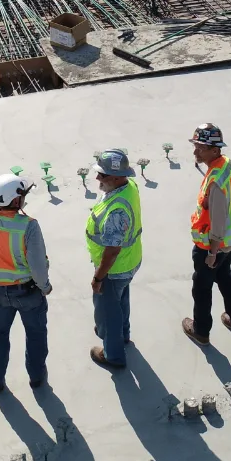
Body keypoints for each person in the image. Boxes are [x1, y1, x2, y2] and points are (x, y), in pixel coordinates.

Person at [0, 173, 53, 392]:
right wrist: (45, 287)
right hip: (28, 292)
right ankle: (36, 377)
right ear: (15, 201)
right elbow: (37, 265)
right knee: (35, 334)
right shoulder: (29, 226)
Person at [184, 124, 231, 345]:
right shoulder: (226, 165)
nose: (195, 152)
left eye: (200, 148)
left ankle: (201, 330)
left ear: (214, 150)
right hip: (230, 242)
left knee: (201, 287)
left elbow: (218, 221)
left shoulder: (216, 181)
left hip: (212, 247)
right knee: (225, 277)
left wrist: (212, 252)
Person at [86, 149, 143, 370]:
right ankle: (123, 334)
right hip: (129, 262)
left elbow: (111, 250)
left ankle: (113, 355)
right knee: (120, 301)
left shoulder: (117, 211)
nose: (98, 178)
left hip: (114, 268)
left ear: (118, 177)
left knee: (107, 311)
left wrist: (98, 277)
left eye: (103, 175)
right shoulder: (128, 187)